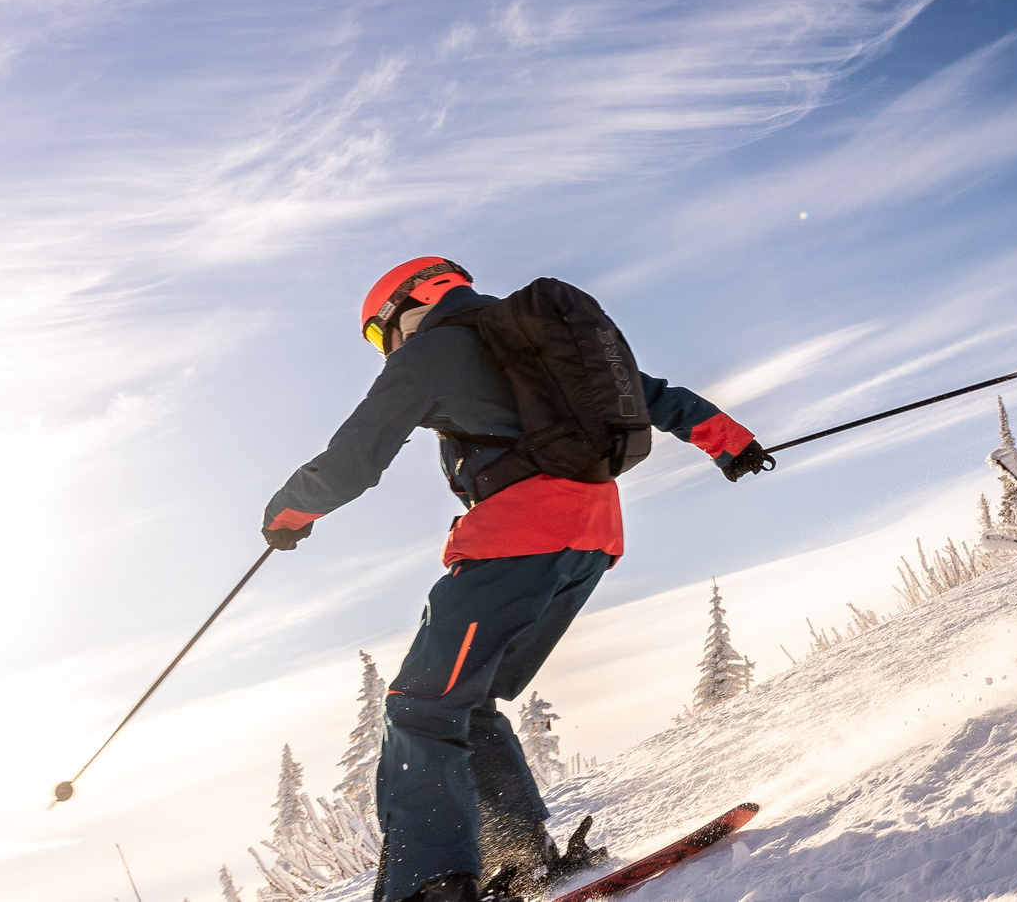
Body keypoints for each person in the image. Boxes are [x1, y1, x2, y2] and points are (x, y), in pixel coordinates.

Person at [261, 258, 774, 902]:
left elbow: (356, 455)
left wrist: (288, 512)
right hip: (592, 535)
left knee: (422, 707)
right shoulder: (540, 341)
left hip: (517, 536)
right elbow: (652, 394)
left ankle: (429, 888)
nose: (384, 350)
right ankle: (523, 860)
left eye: (377, 335)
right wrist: (732, 444)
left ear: (408, 306)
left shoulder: (433, 351)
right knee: (465, 701)